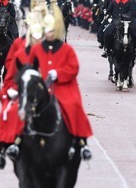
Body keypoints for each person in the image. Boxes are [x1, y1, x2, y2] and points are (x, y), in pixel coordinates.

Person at [28, 14, 93, 160]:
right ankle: (17, 142)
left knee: (73, 105)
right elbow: (30, 66)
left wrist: (58, 73)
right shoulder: (37, 49)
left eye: (51, 31)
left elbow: (73, 68)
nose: (48, 34)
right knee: (23, 106)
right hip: (42, 88)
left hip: (63, 87)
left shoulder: (66, 49)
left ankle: (82, 142)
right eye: (47, 31)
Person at [0, 10, 44, 169]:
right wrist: (12, 87)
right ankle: (2, 149)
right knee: (7, 112)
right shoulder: (18, 44)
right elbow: (10, 64)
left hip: (44, 86)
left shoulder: (48, 45)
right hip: (20, 86)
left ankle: (77, 144)